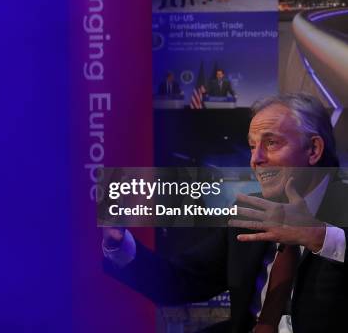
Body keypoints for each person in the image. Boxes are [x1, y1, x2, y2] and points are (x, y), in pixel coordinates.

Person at [102, 93, 348, 332]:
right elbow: (182, 281)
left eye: (271, 143)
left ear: (313, 149)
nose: (256, 159)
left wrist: (317, 235)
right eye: (252, 147)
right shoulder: (249, 212)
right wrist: (119, 243)